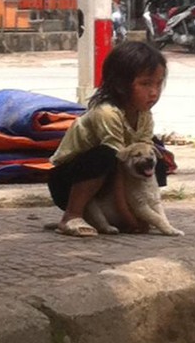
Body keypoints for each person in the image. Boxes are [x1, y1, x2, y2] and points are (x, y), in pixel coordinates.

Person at [47, 41, 167, 237]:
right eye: (145, 84)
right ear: (121, 85)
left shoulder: (144, 115)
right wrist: (127, 216)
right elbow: (118, 164)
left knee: (155, 159)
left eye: (158, 83)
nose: (154, 92)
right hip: (69, 181)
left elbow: (138, 156)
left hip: (109, 180)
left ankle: (123, 215)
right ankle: (72, 215)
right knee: (106, 156)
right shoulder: (107, 113)